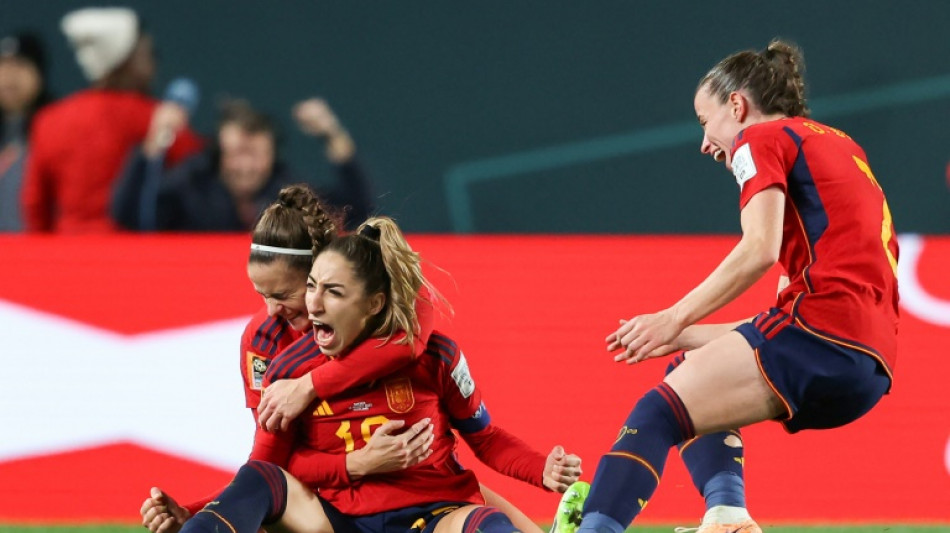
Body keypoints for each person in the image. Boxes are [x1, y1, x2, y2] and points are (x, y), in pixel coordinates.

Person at [573, 39, 898, 533]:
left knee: (657, 413)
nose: (705, 144)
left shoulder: (759, 139)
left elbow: (758, 249)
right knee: (691, 369)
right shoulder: (841, 146)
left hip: (823, 335)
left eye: (705, 123)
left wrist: (674, 315)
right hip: (870, 365)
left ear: (737, 105)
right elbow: (778, 321)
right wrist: (682, 337)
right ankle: (726, 516)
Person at [141, 187, 553, 533]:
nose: (270, 311)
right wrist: (197, 512)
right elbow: (271, 462)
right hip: (332, 505)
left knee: (485, 519)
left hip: (427, 492)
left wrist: (310, 386)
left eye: (284, 295)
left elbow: (412, 348)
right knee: (263, 485)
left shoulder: (399, 311)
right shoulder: (269, 348)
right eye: (260, 295)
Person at [20, 7, 202, 233]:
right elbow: (200, 172)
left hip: (65, 255)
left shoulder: (48, 119)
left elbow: (34, 204)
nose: (154, 64)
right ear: (127, 60)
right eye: (147, 53)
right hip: (133, 257)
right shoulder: (152, 117)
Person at [111, 97, 375, 232]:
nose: (246, 165)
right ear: (219, 154)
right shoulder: (191, 184)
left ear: (272, 157)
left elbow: (359, 210)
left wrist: (332, 134)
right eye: (237, 153)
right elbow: (129, 216)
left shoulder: (289, 192)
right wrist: (152, 145)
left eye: (256, 154)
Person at [0, 31, 52, 232]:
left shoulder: (54, 128)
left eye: (20, 65)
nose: (9, 76)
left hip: (35, 252)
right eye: (2, 65)